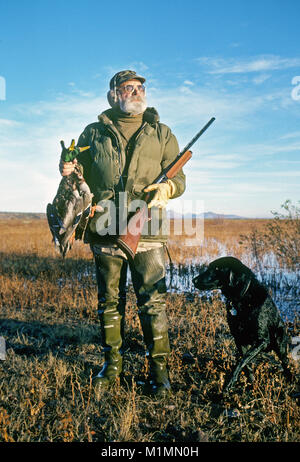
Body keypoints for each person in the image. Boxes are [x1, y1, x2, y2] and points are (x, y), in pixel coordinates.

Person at [60, 70, 186, 398]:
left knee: (153, 302)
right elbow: (78, 172)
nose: (135, 91)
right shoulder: (93, 131)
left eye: (140, 87)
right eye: (127, 87)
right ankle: (111, 365)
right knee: (109, 302)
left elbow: (181, 179)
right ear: (112, 94)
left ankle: (160, 375)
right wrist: (66, 166)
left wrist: (169, 187)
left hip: (148, 230)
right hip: (104, 228)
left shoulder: (162, 133)